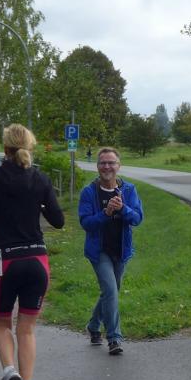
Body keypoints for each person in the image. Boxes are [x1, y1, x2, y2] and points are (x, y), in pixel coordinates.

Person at [0, 124, 65, 380]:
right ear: (30, 147)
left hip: (6, 261)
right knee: (26, 329)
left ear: (4, 148)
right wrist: (37, 203)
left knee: (2, 323)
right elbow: (58, 221)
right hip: (37, 260)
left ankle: (9, 371)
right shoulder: (40, 178)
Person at [78, 147, 144, 355]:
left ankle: (93, 326)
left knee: (111, 291)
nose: (107, 167)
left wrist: (123, 208)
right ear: (97, 166)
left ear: (119, 166)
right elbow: (86, 223)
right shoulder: (89, 192)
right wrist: (106, 213)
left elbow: (137, 219)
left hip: (121, 250)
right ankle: (114, 338)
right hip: (99, 251)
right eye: (103, 163)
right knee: (110, 291)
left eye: (111, 163)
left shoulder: (129, 190)